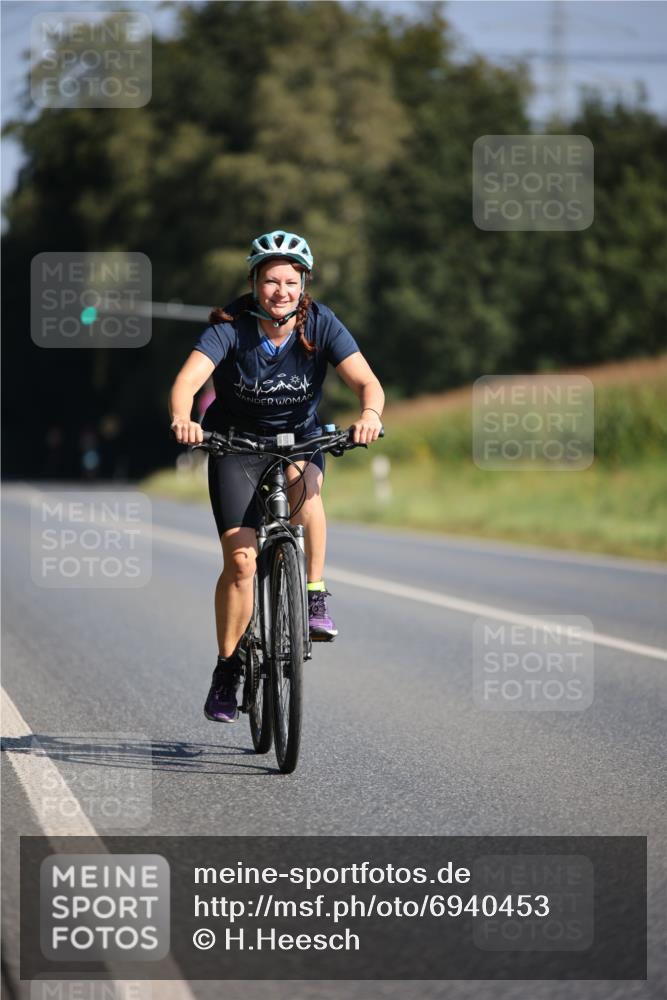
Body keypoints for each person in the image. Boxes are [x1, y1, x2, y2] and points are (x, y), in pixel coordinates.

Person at [169, 230, 384, 722]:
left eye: (290, 281)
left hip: (298, 440)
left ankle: (313, 595)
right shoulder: (230, 326)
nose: (281, 290)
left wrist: (370, 413)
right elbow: (187, 381)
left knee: (306, 495)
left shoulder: (321, 322)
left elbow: (367, 382)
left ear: (303, 284)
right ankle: (227, 668)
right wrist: (185, 420)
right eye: (270, 281)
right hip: (235, 446)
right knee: (241, 563)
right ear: (254, 282)